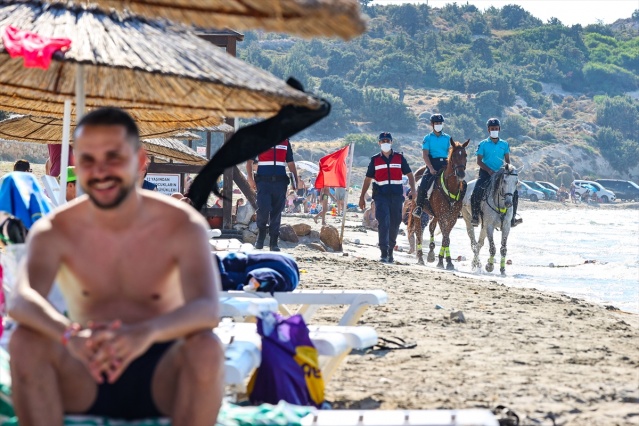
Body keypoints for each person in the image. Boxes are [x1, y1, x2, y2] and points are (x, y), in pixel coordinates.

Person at [8, 107, 224, 425]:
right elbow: (20, 300)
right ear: (76, 166)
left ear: (140, 161)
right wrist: (70, 336)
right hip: (86, 365)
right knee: (24, 342)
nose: (101, 172)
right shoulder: (57, 229)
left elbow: (208, 309)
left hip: (159, 369)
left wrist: (146, 333)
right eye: (88, 160)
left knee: (207, 348)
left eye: (113, 158)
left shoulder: (180, 224)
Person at [359, 132, 416, 263]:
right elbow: (367, 179)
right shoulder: (375, 160)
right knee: (384, 221)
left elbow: (410, 174)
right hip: (381, 196)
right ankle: (384, 252)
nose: (385, 143)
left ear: (391, 142)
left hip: (396, 196)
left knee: (395, 223)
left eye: (387, 141)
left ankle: (390, 251)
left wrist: (413, 190)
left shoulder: (399, 158)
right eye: (383, 141)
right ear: (379, 143)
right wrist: (362, 197)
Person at [246, 139, 299, 251]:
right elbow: (249, 161)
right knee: (263, 209)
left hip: (280, 182)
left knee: (277, 212)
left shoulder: (285, 142)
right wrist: (250, 178)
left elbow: (290, 162)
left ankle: (273, 243)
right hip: (263, 182)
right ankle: (261, 236)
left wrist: (295, 180)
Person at [470, 118, 522, 227]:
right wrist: (489, 170)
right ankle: (475, 215)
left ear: (499, 129)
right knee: (477, 190)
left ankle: (513, 217)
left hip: (501, 174)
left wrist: (508, 170)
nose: (494, 130)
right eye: (492, 128)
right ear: (488, 130)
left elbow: (507, 160)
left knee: (514, 192)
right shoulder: (483, 144)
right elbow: (479, 161)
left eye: (496, 128)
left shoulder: (505, 144)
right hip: (485, 172)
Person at [413, 114, 450, 217]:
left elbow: (450, 152)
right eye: (436, 123)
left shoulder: (447, 138)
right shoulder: (427, 138)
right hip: (432, 163)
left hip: (445, 164)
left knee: (458, 181)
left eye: (440, 123)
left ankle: (458, 205)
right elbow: (425, 155)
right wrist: (431, 168)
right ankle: (419, 207)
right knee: (423, 184)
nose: (438, 125)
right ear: (432, 124)